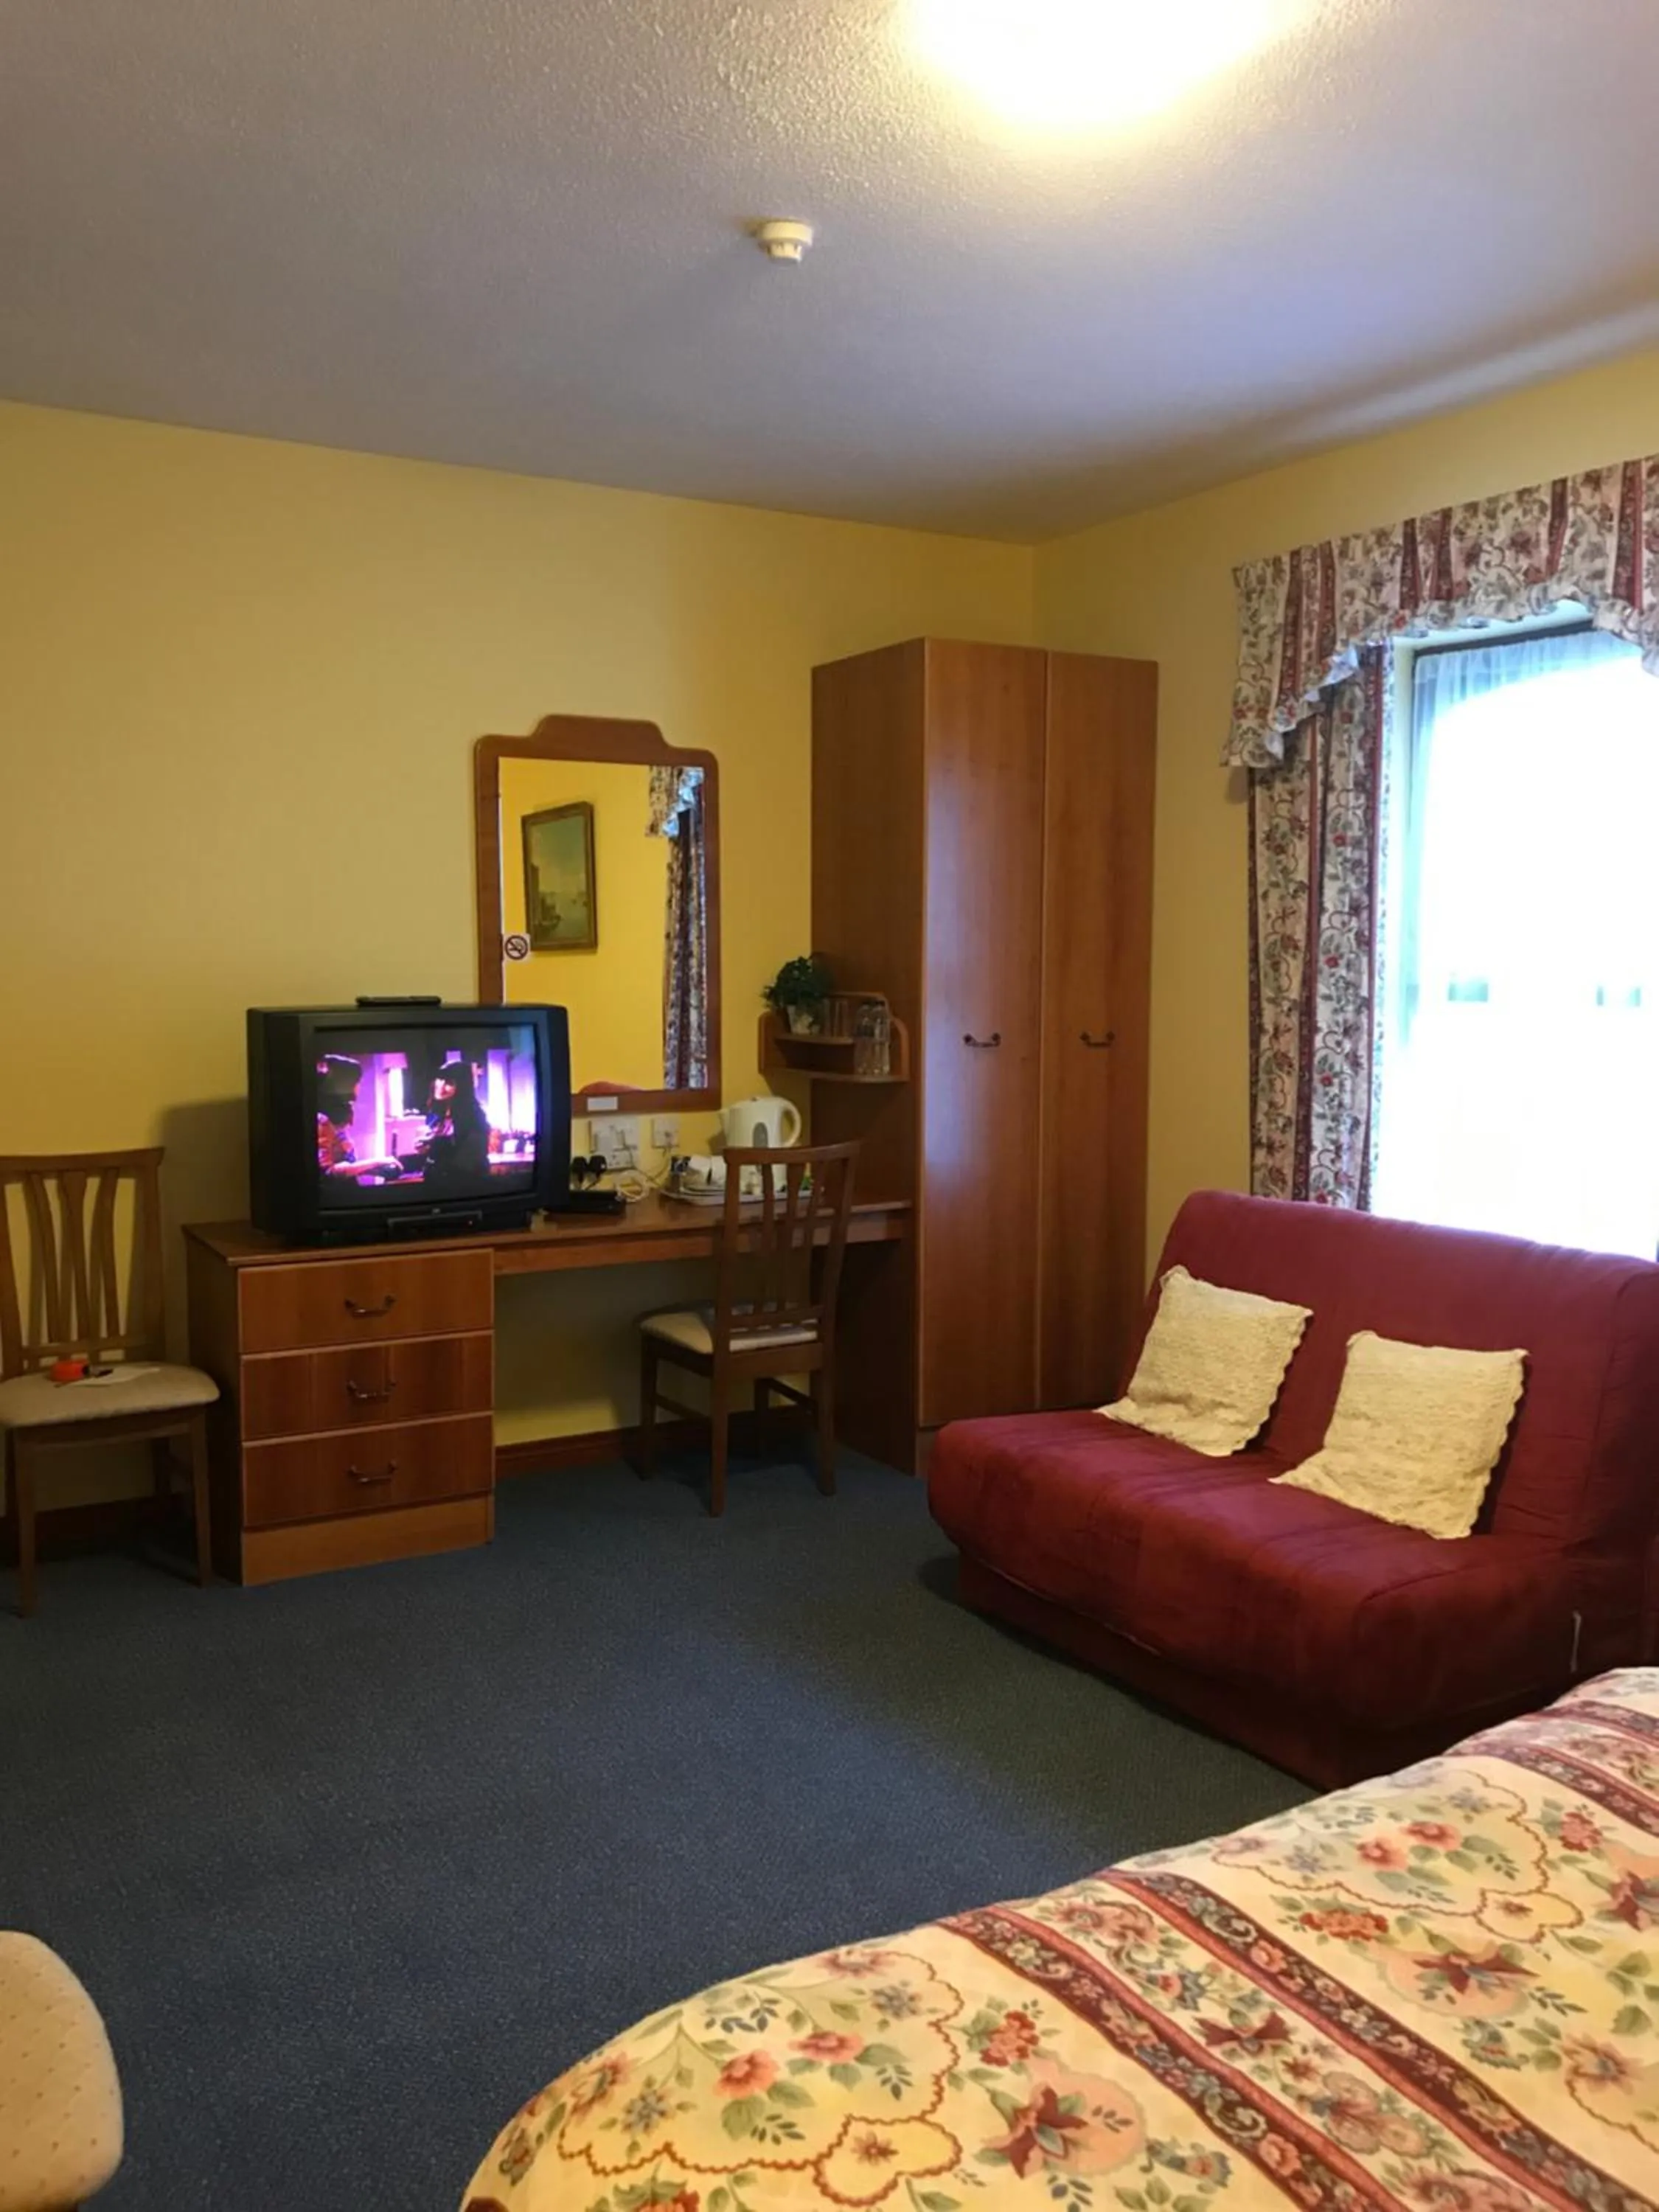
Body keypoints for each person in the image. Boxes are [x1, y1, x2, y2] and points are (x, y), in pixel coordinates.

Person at [316, 1055, 403, 1183]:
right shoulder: (322, 1121)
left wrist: (376, 1168)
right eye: (357, 1081)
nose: (359, 1086)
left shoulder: (339, 1117)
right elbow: (327, 1173)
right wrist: (375, 1163)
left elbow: (345, 1165)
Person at [412, 1058, 493, 1189]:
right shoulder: (435, 1117)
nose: (441, 1086)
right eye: (440, 1079)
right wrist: (424, 1149)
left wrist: (435, 1147)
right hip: (434, 1185)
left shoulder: (474, 1117)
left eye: (449, 1082)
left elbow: (468, 1163)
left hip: (463, 1187)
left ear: (462, 1087)